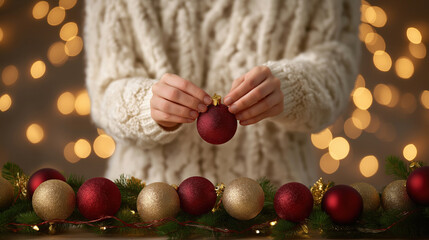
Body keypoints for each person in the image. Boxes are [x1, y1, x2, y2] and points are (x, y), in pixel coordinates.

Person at [85, 0, 360, 186]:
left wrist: (292, 86)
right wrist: (147, 105)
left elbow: (338, 65)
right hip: (149, 207)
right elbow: (104, 92)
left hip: (277, 206)